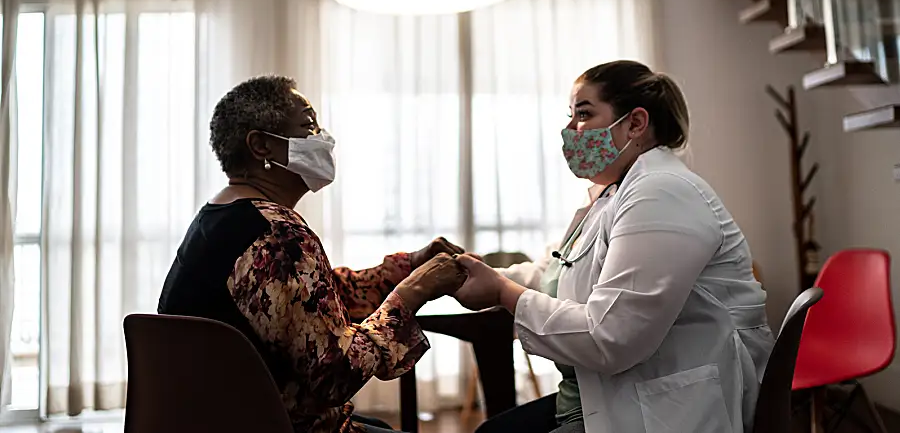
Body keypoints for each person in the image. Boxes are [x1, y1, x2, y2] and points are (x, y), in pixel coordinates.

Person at [453, 60, 774, 433]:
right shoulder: (614, 194)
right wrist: (484, 275)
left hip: (663, 408)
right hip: (599, 396)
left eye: (583, 114)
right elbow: (555, 272)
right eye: (570, 116)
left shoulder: (663, 192)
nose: (570, 130)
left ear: (635, 124)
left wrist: (503, 292)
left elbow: (611, 338)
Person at [158, 75, 468, 433]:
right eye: (309, 125)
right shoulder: (279, 232)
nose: (324, 138)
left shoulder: (222, 217)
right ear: (261, 146)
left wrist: (408, 265)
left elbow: (310, 302)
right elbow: (335, 375)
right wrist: (413, 293)